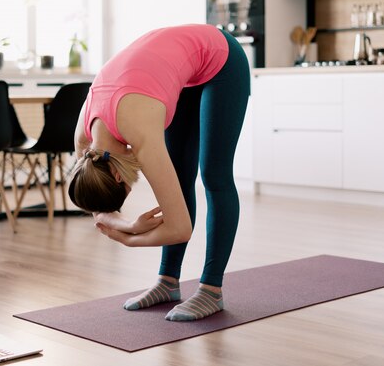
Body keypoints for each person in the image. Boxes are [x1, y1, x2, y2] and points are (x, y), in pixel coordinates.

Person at [68, 23, 250, 321]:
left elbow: (180, 227)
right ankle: (167, 283)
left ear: (117, 176)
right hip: (174, 65)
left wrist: (130, 237)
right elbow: (99, 211)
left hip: (221, 58)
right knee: (179, 177)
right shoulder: (85, 145)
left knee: (215, 177)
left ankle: (211, 290)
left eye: (123, 194)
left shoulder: (139, 130)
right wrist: (126, 224)